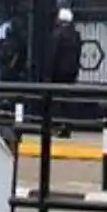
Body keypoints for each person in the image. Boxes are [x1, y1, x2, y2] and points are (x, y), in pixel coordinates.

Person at [45, 9, 82, 138]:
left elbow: (52, 55)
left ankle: (57, 126)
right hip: (71, 72)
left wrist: (48, 73)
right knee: (68, 100)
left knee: (56, 100)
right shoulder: (76, 35)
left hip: (58, 72)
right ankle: (67, 126)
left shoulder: (57, 34)